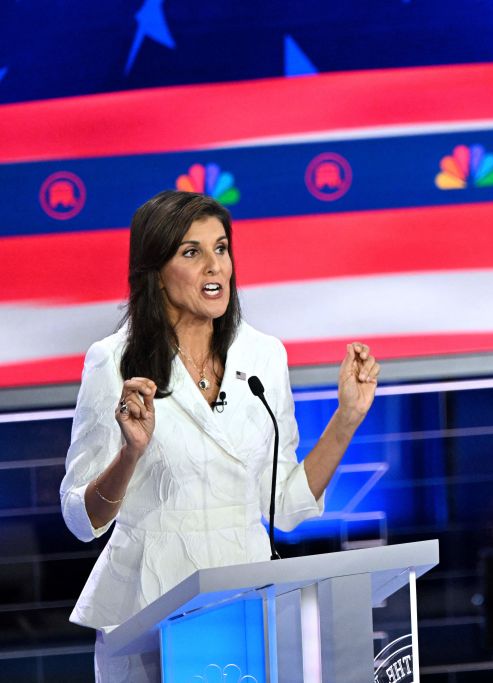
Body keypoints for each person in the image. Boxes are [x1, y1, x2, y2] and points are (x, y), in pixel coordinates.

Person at [59, 190, 381, 681]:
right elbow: (82, 517)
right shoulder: (113, 362)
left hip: (245, 604)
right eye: (192, 252)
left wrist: (347, 418)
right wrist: (130, 454)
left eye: (222, 248)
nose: (215, 267)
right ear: (157, 273)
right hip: (149, 611)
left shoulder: (265, 356)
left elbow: (286, 506)